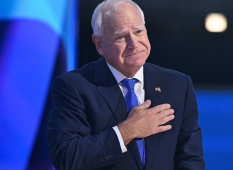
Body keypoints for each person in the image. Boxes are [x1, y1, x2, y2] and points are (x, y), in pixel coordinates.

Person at [47, 0, 205, 169]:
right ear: (99, 44)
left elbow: (190, 159)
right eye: (121, 36)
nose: (134, 44)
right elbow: (66, 158)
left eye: (138, 32)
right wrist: (126, 131)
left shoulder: (178, 85)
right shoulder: (74, 86)